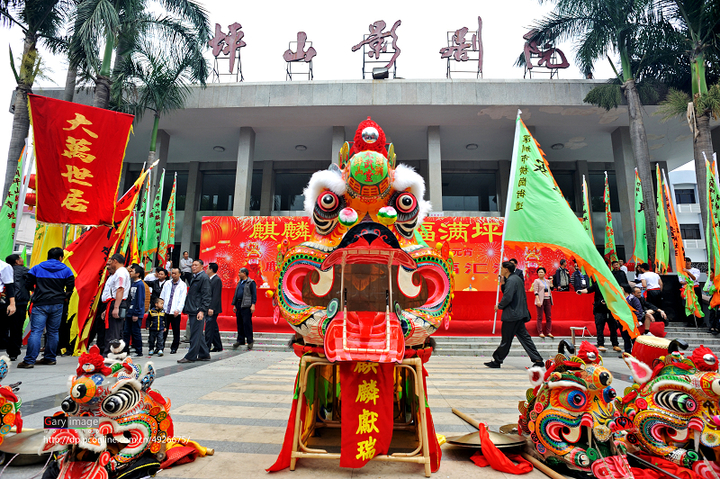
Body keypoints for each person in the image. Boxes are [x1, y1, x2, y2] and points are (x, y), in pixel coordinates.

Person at [18, 248, 74, 368]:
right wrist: (62, 296)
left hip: (40, 303)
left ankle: (29, 360)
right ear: (60, 257)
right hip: (57, 304)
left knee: (36, 331)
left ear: (48, 256)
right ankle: (50, 358)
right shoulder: (66, 270)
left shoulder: (37, 268)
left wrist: (35, 291)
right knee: (53, 332)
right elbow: (70, 288)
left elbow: (27, 283)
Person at [484, 261, 544, 369]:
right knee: (525, 338)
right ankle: (537, 359)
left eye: (502, 268)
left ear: (506, 269)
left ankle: (497, 360)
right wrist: (503, 283)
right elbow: (508, 292)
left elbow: (508, 297)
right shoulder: (516, 279)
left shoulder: (511, 280)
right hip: (518, 314)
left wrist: (499, 306)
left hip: (512, 314)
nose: (500, 270)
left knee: (506, 339)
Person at [178, 260, 211, 363]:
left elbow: (206, 295)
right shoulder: (196, 277)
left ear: (202, 266)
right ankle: (204, 354)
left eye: (196, 265)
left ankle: (191, 356)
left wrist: (202, 310)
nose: (193, 267)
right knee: (198, 333)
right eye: (192, 265)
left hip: (197, 310)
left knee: (195, 335)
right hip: (192, 309)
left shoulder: (204, 278)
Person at [577, 282, 622, 353]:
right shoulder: (598, 284)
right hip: (599, 310)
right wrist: (581, 291)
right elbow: (589, 289)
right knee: (600, 328)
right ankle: (601, 344)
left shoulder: (612, 284)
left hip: (611, 310)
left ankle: (615, 344)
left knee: (613, 327)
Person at [100, 253, 130, 356]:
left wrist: (116, 307)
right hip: (113, 302)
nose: (109, 265)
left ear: (115, 261)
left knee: (114, 332)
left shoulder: (121, 272)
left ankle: (110, 354)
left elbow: (120, 289)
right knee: (112, 331)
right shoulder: (118, 273)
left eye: (110, 262)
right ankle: (110, 353)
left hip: (117, 302)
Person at [5, 254, 27, 360]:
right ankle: (13, 352)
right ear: (17, 261)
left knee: (4, 327)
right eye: (20, 258)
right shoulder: (24, 270)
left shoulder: (5, 269)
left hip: (5, 301)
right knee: (17, 328)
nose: (22, 259)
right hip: (20, 302)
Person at [161, 268, 187, 354]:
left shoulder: (182, 285)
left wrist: (178, 309)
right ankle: (161, 346)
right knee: (164, 329)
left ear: (179, 274)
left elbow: (182, 299)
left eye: (175, 273)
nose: (173, 275)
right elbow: (162, 295)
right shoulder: (167, 283)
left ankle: (174, 347)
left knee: (176, 330)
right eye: (172, 273)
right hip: (166, 310)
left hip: (175, 311)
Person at [232, 267, 257, 350]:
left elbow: (254, 294)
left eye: (240, 272)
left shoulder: (251, 282)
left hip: (246, 304)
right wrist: (235, 304)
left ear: (244, 273)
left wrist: (253, 304)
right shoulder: (240, 282)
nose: (238, 274)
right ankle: (240, 340)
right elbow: (236, 294)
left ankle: (250, 341)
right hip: (239, 304)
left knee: (247, 323)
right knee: (239, 323)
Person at [123, 264, 145, 357]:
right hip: (129, 312)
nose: (130, 272)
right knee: (126, 332)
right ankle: (125, 350)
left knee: (136, 332)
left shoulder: (140, 284)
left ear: (138, 273)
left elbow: (140, 300)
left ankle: (138, 350)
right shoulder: (132, 283)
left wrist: (137, 312)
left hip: (136, 313)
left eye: (132, 271)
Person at [205, 263, 224, 352]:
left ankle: (206, 347)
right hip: (209, 307)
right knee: (214, 327)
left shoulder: (216, 280)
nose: (206, 270)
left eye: (207, 268)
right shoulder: (210, 279)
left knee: (209, 328)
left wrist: (211, 308)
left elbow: (216, 295)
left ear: (211, 269)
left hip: (213, 308)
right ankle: (218, 346)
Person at [532, 267, 553, 338]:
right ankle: (540, 332)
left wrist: (551, 282)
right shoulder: (536, 281)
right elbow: (535, 291)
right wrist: (537, 300)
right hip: (540, 300)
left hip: (548, 299)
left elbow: (551, 288)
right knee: (540, 316)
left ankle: (549, 332)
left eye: (542, 272)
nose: (540, 273)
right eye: (539, 272)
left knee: (549, 317)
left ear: (544, 273)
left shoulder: (547, 281)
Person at [680, 257, 702, 326]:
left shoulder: (696, 270)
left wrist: (688, 272)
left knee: (697, 304)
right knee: (688, 305)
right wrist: (686, 282)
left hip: (695, 288)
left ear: (691, 262)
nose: (687, 263)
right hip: (687, 289)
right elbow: (681, 281)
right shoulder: (681, 271)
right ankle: (690, 321)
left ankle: (699, 321)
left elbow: (694, 278)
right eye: (686, 262)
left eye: (688, 261)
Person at [0, 259, 15, 352]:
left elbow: (9, 286)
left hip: (1, 301)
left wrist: (12, 304)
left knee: (2, 330)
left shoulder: (4, 266)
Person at [622, 284, 642, 353]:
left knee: (634, 338)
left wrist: (637, 319)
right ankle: (627, 352)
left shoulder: (633, 299)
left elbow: (638, 309)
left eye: (621, 288)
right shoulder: (620, 298)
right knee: (625, 338)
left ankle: (636, 352)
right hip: (623, 321)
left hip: (632, 321)